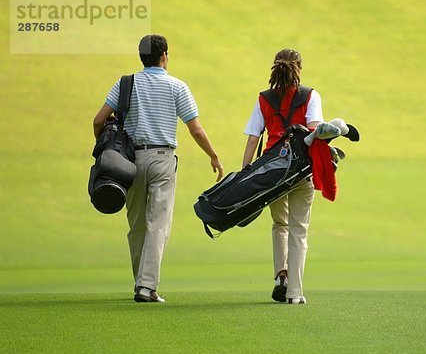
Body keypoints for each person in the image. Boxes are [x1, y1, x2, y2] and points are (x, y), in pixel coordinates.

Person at [93, 34, 224, 303]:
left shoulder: (125, 84)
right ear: (165, 55)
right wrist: (213, 155)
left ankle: (140, 283)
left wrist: (108, 149)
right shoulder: (177, 86)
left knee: (137, 223)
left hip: (128, 161)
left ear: (141, 57)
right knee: (158, 224)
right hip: (163, 159)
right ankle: (146, 286)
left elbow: (98, 121)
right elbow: (195, 129)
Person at [242, 49, 324, 305]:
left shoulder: (264, 98)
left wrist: (245, 172)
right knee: (299, 230)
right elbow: (314, 132)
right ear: (299, 67)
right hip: (301, 170)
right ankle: (295, 293)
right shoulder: (310, 96)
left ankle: (281, 275)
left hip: (272, 173)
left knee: (281, 225)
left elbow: (254, 138)